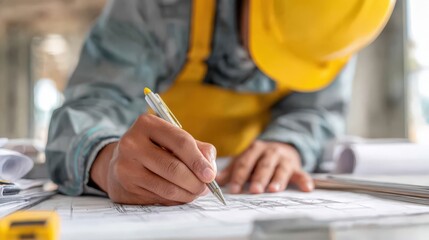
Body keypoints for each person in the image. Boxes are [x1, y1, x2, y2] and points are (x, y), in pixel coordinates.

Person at [46, 0, 394, 205]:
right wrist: (106, 161)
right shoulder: (155, 10)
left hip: (251, 194)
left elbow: (317, 109)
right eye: (270, 47)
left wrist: (289, 144)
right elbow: (89, 105)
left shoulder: (343, 25)